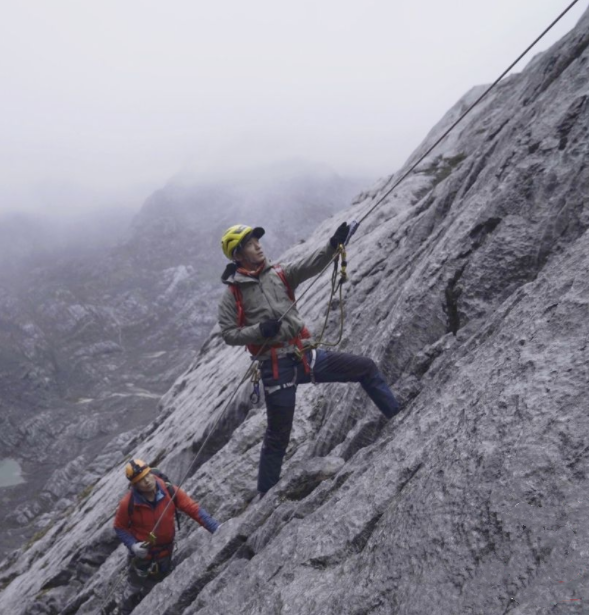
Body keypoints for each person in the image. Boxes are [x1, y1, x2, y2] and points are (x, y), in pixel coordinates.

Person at [217, 223, 401, 497]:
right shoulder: (233, 295)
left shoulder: (279, 273)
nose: (258, 245)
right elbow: (229, 334)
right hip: (275, 366)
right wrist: (259, 331)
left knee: (365, 368)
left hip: (304, 355)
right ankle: (265, 498)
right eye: (250, 243)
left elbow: (311, 264)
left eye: (257, 240)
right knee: (278, 436)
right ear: (238, 254)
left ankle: (399, 420)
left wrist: (332, 244)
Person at [113, 459, 219, 614]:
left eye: (147, 475)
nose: (147, 481)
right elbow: (119, 527)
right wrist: (133, 545)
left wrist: (216, 528)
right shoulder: (128, 503)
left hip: (164, 554)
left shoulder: (169, 491)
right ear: (134, 485)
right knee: (133, 588)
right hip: (142, 556)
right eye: (140, 480)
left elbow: (193, 509)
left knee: (155, 587)